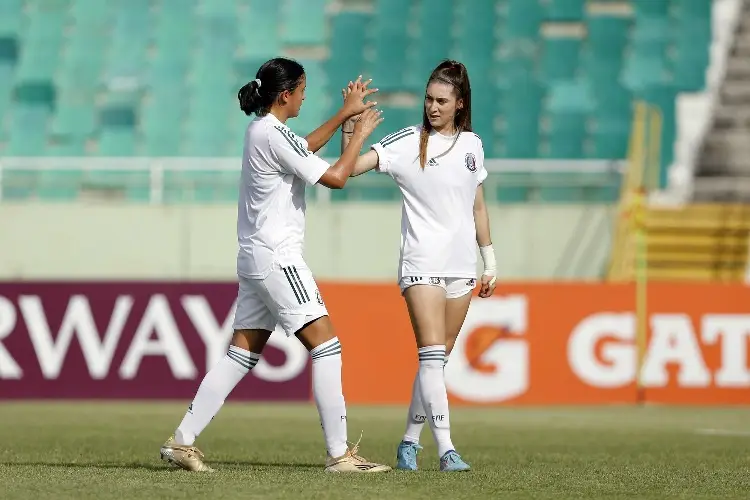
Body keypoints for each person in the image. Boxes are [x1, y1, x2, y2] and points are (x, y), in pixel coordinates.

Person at [160, 57, 390, 473]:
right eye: (301, 90)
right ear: (286, 94)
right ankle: (339, 455)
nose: (305, 96)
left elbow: (302, 147)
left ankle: (181, 441)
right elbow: (337, 178)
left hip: (253, 257)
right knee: (327, 347)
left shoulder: (263, 131)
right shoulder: (272, 134)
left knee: (240, 355)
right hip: (277, 258)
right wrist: (360, 133)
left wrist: (343, 116)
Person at [340, 60, 497, 472]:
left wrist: (490, 259)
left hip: (462, 266)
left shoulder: (472, 145)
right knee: (430, 358)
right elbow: (350, 169)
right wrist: (351, 128)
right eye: (428, 98)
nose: (432, 106)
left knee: (436, 362)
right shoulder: (409, 141)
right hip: (422, 263)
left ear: (460, 104)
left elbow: (477, 205)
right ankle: (446, 449)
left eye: (441, 100)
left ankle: (409, 442)